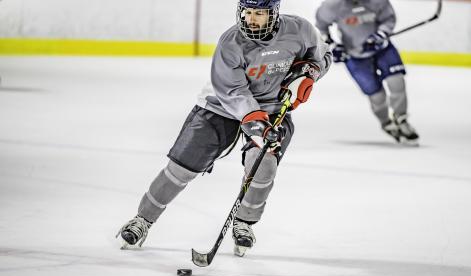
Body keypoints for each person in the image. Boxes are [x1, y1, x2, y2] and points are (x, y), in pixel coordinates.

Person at [117, 0, 332, 257]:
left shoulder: (301, 30)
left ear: (274, 14)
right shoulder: (230, 42)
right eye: (248, 12)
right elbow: (233, 91)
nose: (251, 19)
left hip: (273, 108)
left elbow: (321, 55)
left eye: (259, 14)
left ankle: (244, 222)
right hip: (221, 106)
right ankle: (143, 220)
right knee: (182, 167)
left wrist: (311, 71)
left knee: (263, 164)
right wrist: (255, 123)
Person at [316, 0, 419, 145]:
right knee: (377, 96)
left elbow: (388, 18)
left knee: (397, 81)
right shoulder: (332, 5)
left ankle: (401, 119)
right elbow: (320, 28)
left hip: (382, 48)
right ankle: (386, 123)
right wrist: (332, 46)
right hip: (354, 56)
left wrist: (380, 34)